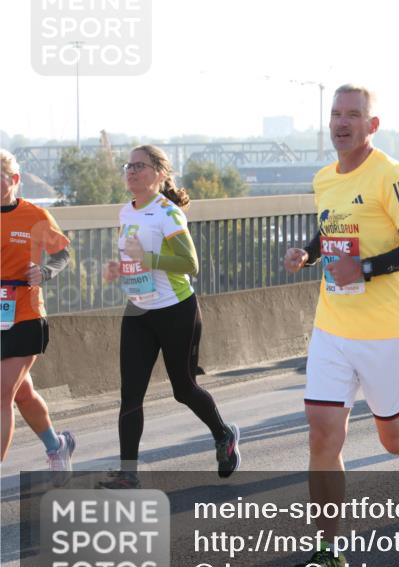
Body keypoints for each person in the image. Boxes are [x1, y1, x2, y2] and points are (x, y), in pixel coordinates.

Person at [282, 85, 399, 567]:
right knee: (322, 435)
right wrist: (308, 255)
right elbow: (330, 228)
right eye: (335, 114)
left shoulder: (392, 175)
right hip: (331, 327)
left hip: (385, 332)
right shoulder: (323, 178)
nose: (342, 122)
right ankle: (330, 552)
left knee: (394, 437)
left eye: (353, 115)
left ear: (371, 125)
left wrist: (368, 268)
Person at [101, 145, 241, 489]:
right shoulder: (126, 213)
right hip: (138, 310)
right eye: (128, 166)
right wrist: (121, 268)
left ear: (160, 173)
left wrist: (147, 258)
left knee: (184, 388)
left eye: (140, 166)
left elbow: (189, 264)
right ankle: (128, 473)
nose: (131, 171)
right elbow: (137, 259)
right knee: (131, 394)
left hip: (176, 310)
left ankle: (223, 435)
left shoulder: (167, 213)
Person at [0, 149, 76, 479]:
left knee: (2, 393)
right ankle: (57, 445)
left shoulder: (34, 216)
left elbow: (62, 254)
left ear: (14, 180)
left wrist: (44, 272)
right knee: (22, 394)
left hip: (26, 315)